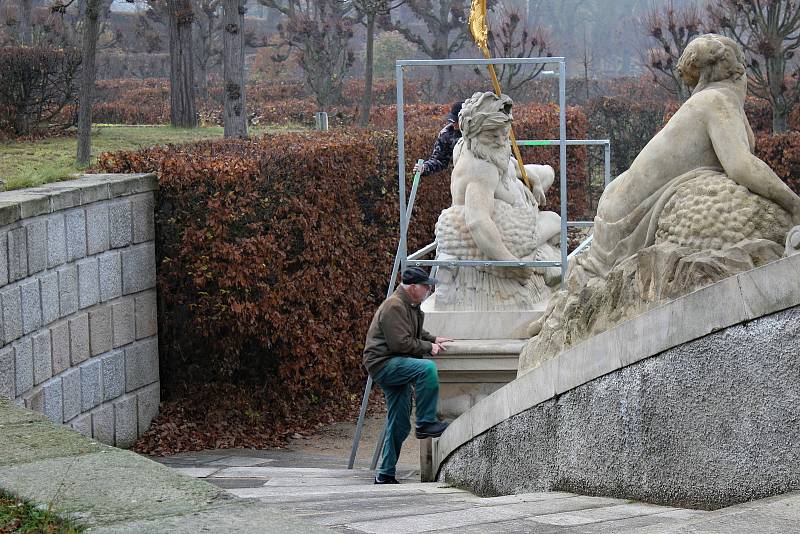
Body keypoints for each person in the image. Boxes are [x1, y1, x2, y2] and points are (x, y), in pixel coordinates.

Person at [362, 266, 453, 484]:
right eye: (425, 287)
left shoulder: (408, 305)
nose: (428, 291)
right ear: (413, 287)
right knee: (427, 369)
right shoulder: (394, 306)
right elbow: (400, 342)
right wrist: (427, 347)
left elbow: (413, 332)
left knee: (400, 422)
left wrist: (433, 339)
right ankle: (425, 422)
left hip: (394, 363)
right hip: (384, 364)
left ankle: (385, 473)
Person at [413, 101, 463, 176]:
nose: (453, 123)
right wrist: (424, 167)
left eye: (456, 121)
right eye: (452, 120)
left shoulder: (480, 134)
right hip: (460, 180)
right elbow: (439, 160)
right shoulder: (446, 135)